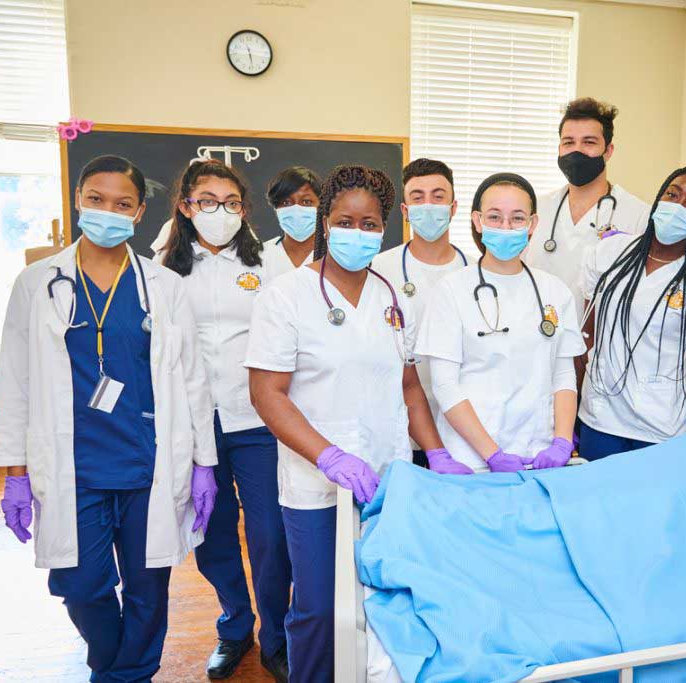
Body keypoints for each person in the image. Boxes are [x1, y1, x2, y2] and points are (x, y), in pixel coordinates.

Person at [0, 155, 217, 683]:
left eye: (122, 204)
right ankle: (114, 666)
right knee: (82, 584)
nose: (108, 212)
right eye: (97, 199)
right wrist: (15, 472)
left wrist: (204, 461)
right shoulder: (36, 283)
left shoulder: (163, 286)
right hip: (75, 465)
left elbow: (191, 378)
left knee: (147, 588)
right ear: (77, 200)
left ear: (139, 212)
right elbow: (16, 380)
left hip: (147, 462)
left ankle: (128, 674)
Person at [245, 165, 447, 681]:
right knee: (318, 606)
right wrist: (329, 456)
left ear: (384, 228)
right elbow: (268, 395)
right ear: (324, 221)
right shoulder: (285, 296)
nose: (357, 233)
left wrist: (437, 453)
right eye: (345, 220)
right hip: (316, 483)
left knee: (382, 598)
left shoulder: (391, 297)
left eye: (369, 223)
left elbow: (408, 388)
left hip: (387, 478)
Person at [158, 159, 291, 682]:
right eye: (207, 201)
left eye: (231, 202)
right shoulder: (162, 266)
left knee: (270, 535)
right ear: (187, 205)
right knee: (211, 535)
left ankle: (276, 637)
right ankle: (235, 627)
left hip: (256, 421)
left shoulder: (267, 265)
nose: (220, 212)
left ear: (244, 209)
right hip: (193, 425)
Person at [415, 172, 586, 472]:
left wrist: (561, 441)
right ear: (478, 221)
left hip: (538, 454)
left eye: (517, 218)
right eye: (494, 217)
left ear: (533, 224)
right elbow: (445, 385)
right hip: (471, 458)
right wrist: (493, 454)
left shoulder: (554, 291)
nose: (505, 227)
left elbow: (563, 375)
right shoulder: (451, 290)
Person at [577, 166, 686, 460]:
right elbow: (585, 335)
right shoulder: (608, 253)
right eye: (672, 195)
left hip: (662, 429)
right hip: (600, 418)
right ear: (658, 200)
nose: (678, 207)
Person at [371, 158, 475, 469]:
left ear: (454, 207)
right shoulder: (378, 270)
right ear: (405, 210)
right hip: (401, 433)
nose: (428, 205)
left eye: (438, 196)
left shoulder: (476, 272)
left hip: (465, 433)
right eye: (418, 197)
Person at [526, 97, 650, 319]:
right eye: (569, 142)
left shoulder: (638, 215)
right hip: (539, 341)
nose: (577, 152)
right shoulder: (536, 209)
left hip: (599, 348)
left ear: (608, 151)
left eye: (589, 142)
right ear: (559, 148)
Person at [263, 166, 322, 281]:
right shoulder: (261, 255)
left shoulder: (334, 255)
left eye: (306, 201)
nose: (296, 209)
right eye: (286, 202)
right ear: (276, 208)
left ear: (321, 206)